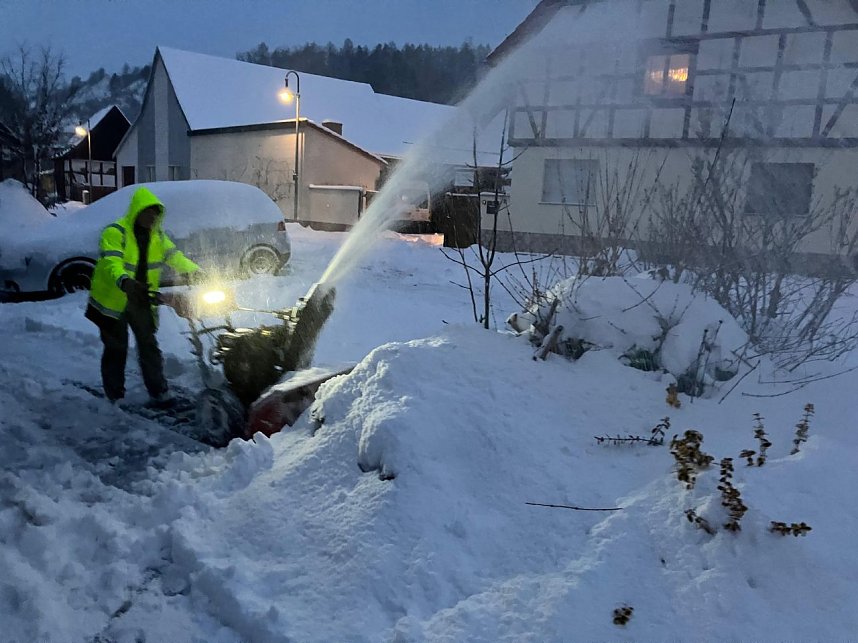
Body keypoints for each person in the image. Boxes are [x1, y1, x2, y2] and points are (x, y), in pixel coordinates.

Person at [85, 186, 201, 406]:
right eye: (147, 213)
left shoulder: (158, 237)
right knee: (116, 347)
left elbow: (175, 257)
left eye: (155, 214)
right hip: (112, 300)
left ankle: (159, 391)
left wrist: (196, 272)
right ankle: (115, 395)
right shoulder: (115, 232)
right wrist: (125, 281)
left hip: (140, 296)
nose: (151, 218)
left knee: (148, 344)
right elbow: (111, 263)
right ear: (136, 211)